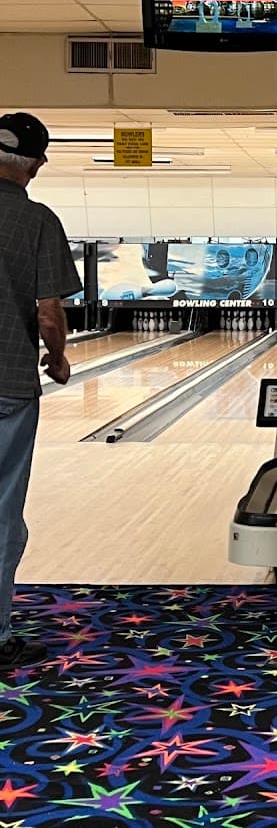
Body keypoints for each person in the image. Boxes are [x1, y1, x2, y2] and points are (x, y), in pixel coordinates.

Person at [0, 112, 81, 670]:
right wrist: (57, 356)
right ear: (38, 164)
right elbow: (49, 311)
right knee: (2, 513)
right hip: (6, 384)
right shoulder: (36, 221)